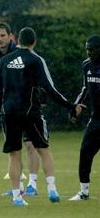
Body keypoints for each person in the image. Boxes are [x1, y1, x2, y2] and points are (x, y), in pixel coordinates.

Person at [0, 27, 83, 206]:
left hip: (9, 113)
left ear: (17, 40)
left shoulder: (4, 61)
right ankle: (52, 188)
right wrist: (71, 106)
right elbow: (50, 89)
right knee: (43, 150)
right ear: (34, 42)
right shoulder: (36, 60)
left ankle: (17, 198)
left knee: (14, 155)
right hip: (30, 113)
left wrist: (2, 109)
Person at [0, 22, 40, 196]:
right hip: (8, 112)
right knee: (14, 150)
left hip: (28, 109)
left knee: (31, 145)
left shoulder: (23, 55)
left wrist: (38, 101)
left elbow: (37, 80)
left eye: (2, 35)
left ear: (10, 36)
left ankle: (33, 185)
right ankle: (20, 187)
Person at [69, 35, 100, 201]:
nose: (89, 52)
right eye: (87, 49)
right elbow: (85, 89)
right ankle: (84, 192)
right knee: (85, 152)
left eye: (92, 49)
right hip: (96, 119)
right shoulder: (86, 65)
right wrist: (76, 106)